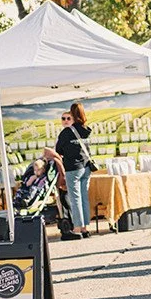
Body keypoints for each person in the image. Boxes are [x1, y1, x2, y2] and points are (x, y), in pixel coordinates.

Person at [54, 102, 93, 240]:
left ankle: (77, 228)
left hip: (72, 168)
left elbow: (58, 150)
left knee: (75, 199)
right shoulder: (86, 129)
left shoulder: (66, 132)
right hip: (86, 167)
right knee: (84, 198)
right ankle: (85, 228)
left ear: (72, 114)